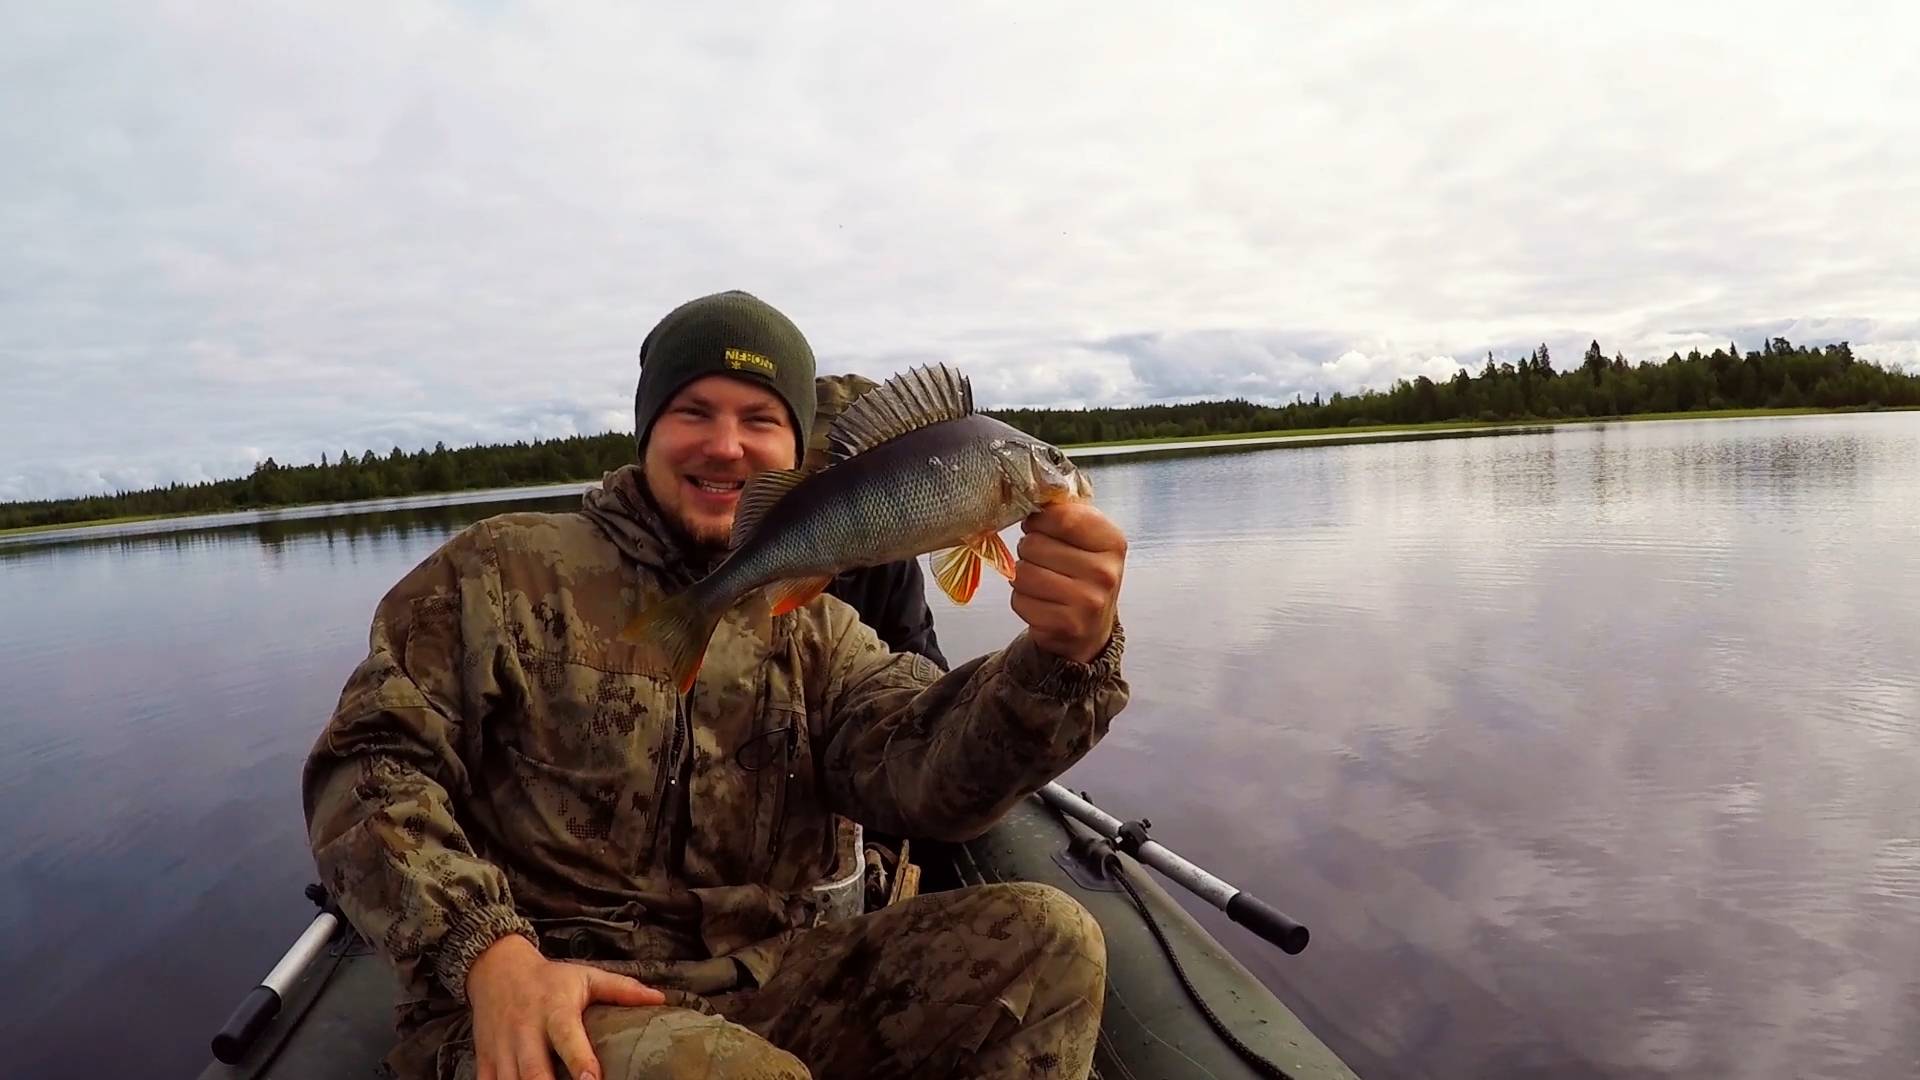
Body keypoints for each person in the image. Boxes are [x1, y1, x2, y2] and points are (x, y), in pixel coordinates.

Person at [302, 289, 1129, 1080]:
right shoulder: (500, 574)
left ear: (795, 452)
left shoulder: (819, 631)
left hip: (771, 986)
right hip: (551, 998)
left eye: (761, 419)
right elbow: (368, 765)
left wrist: (1061, 658)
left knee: (1051, 941)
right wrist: (486, 951)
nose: (726, 445)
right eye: (694, 411)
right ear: (648, 430)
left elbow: (926, 772)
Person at [809, 372, 948, 670]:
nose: (840, 491)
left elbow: (922, 667)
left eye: (860, 474)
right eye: (819, 469)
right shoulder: (741, 546)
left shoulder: (893, 561)